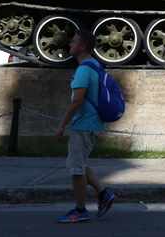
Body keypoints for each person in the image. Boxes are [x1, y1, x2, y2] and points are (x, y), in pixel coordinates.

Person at [55, 29, 115, 223]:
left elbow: (77, 101)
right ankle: (104, 194)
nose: (70, 45)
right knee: (79, 163)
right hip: (91, 124)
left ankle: (80, 210)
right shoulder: (95, 65)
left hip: (83, 124)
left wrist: (62, 125)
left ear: (81, 47)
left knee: (76, 169)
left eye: (73, 42)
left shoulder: (83, 70)